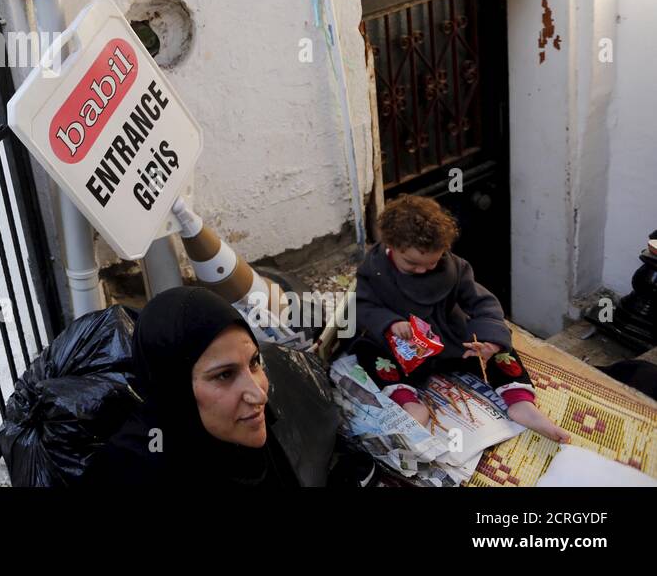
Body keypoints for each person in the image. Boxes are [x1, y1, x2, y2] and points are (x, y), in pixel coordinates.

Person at [351, 195, 571, 443]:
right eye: (412, 264)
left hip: (450, 340)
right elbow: (363, 305)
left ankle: (520, 402)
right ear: (391, 245)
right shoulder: (374, 268)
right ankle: (408, 402)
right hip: (404, 348)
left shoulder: (455, 267)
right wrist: (391, 323)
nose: (423, 270)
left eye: (431, 263)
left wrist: (488, 342)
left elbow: (483, 303)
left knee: (500, 344)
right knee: (366, 351)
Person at [81, 288, 300, 487]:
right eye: (225, 375)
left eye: (253, 363)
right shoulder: (137, 472)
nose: (259, 395)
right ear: (176, 391)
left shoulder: (238, 435)